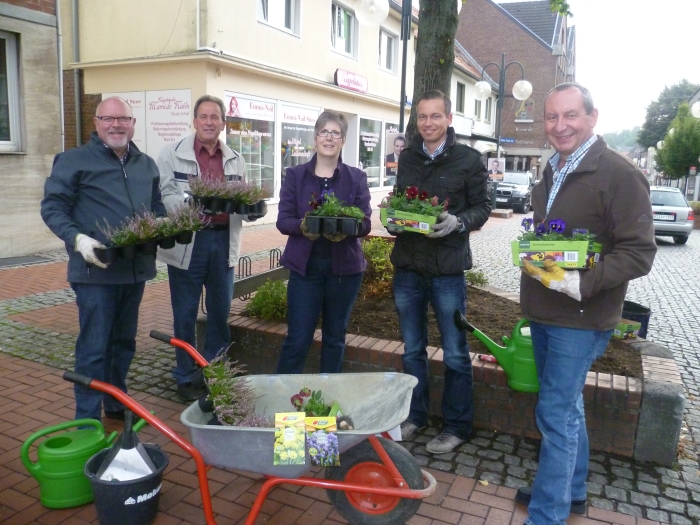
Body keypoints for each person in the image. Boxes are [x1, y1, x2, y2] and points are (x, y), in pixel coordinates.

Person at [515, 83, 657, 525]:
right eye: (552, 117)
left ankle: (547, 514)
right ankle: (571, 492)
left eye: (571, 115)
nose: (561, 126)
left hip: (580, 317)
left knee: (555, 414)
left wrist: (585, 283)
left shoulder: (619, 173)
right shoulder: (552, 169)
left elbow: (639, 251)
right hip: (544, 310)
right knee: (566, 406)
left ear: (592, 117)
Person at [41, 96, 166, 421]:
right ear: (96, 123)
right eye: (108, 119)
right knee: (94, 348)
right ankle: (87, 420)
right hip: (94, 273)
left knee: (123, 344)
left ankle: (115, 404)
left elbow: (156, 207)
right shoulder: (73, 161)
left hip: (134, 270)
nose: (116, 125)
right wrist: (77, 239)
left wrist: (163, 222)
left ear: (133, 124)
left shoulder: (146, 164)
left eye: (122, 118)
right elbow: (52, 207)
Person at [389, 90, 492, 454]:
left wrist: (459, 222)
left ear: (449, 119)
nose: (428, 123)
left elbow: (483, 206)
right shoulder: (408, 157)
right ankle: (415, 416)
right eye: (422, 117)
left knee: (454, 351)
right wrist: (395, 221)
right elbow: (401, 199)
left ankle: (456, 426)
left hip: (448, 270)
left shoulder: (469, 159)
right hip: (409, 267)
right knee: (413, 349)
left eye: (435, 116)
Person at [158, 95, 260, 401]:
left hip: (223, 240)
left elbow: (241, 200)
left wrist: (252, 208)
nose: (209, 122)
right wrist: (192, 204)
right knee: (185, 314)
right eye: (203, 116)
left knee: (219, 312)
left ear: (223, 123)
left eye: (215, 117)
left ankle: (215, 373)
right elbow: (163, 195)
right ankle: (186, 376)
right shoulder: (171, 154)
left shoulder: (235, 159)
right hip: (189, 241)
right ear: (194, 121)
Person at [275, 111, 372, 374]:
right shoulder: (295, 175)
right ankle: (282, 400)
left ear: (343, 140)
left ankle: (328, 405)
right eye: (324, 132)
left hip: (344, 272)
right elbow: (283, 220)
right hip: (305, 270)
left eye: (335, 133)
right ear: (316, 137)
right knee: (297, 339)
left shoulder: (356, 178)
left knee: (334, 339)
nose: (329, 138)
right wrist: (304, 227)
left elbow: (365, 223)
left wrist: (346, 229)